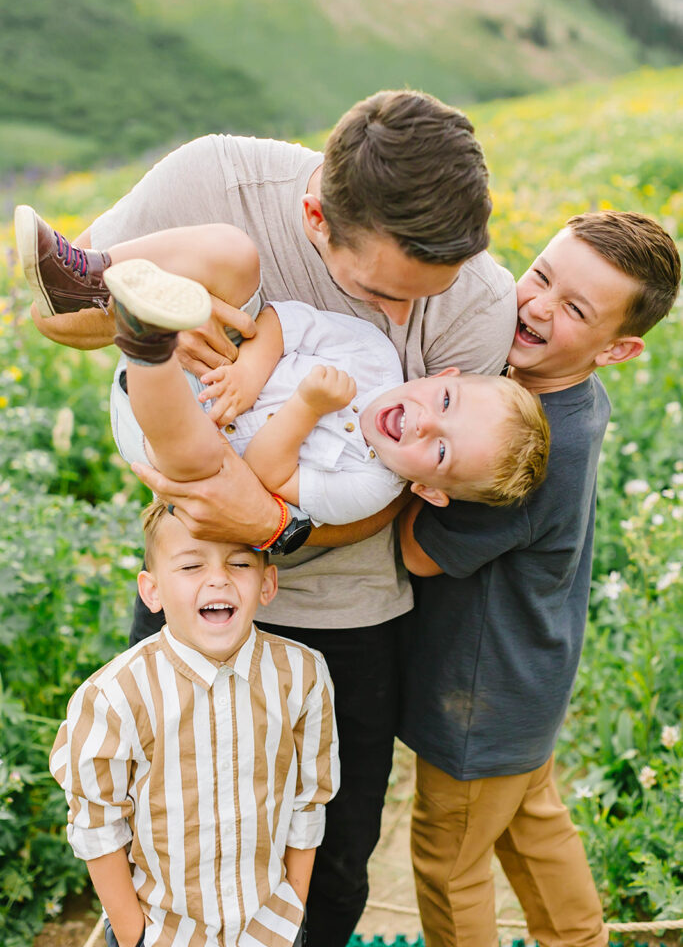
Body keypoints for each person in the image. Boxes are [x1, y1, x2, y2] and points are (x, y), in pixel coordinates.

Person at [27, 89, 517, 946]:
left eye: (420, 297)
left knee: (326, 869)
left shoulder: (477, 302)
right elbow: (53, 310)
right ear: (315, 217)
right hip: (193, 587)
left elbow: (404, 492)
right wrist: (155, 329)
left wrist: (271, 524)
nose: (398, 322)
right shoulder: (217, 182)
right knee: (159, 852)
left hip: (345, 615)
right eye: (373, 290)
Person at [398, 210, 681, 947]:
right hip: (527, 677)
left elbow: (421, 554)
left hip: (477, 695)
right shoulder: (562, 402)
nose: (537, 306)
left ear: (617, 349)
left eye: (575, 308)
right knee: (531, 829)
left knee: (448, 863)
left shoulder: (532, 450)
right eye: (541, 276)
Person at [16, 210, 549, 523]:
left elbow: (269, 475)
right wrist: (248, 374)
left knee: (210, 463)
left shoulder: (368, 490)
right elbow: (279, 322)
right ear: (442, 377)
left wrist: (308, 405)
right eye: (446, 404)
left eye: (440, 449)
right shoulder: (376, 358)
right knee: (234, 252)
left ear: (430, 491)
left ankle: (144, 342)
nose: (426, 422)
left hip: (169, 431)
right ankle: (87, 280)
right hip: (220, 364)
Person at [50, 499, 340, 947]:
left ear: (267, 582)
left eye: (240, 562)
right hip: (163, 932)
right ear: (152, 591)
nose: (219, 577)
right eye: (190, 566)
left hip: (270, 929)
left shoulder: (303, 675)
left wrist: (292, 909)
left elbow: (308, 800)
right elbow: (97, 825)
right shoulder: (114, 696)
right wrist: (132, 935)